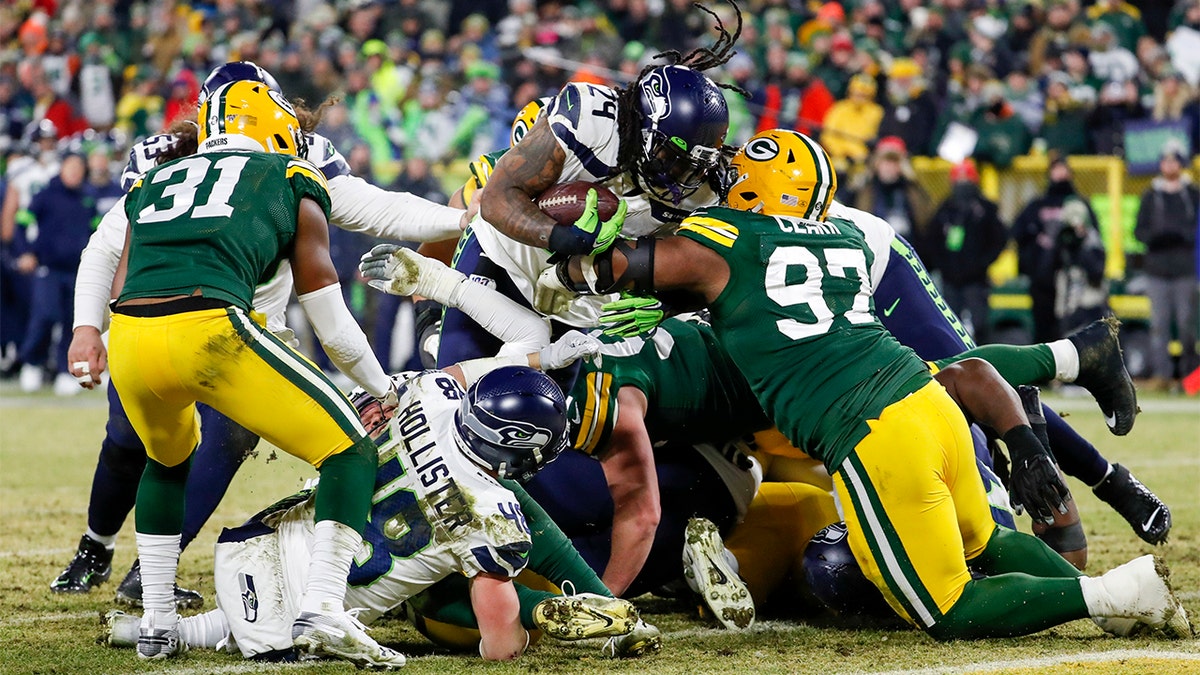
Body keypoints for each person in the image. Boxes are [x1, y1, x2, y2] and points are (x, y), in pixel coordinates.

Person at [537, 129, 1191, 641]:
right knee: (984, 537)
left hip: (875, 433)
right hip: (925, 402)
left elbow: (618, 265)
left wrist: (567, 245)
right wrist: (1029, 444)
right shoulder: (839, 233)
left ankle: (1110, 592)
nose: (727, 181)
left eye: (740, 177)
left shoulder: (725, 238)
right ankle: (1113, 581)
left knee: (947, 607)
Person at [50, 61, 466, 607]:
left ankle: (152, 579)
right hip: (198, 322)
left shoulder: (291, 157)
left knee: (219, 437)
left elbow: (373, 207)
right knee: (132, 444)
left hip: (211, 329)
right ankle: (98, 544)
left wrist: (462, 219)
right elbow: (108, 248)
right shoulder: (186, 160)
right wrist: (86, 326)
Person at [106, 80, 410, 666]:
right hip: (210, 329)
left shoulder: (152, 182)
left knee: (167, 461)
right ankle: (323, 607)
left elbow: (124, 285)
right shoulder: (293, 176)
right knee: (349, 448)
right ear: (275, 127)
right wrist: (379, 386)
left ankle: (156, 623)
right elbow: (330, 318)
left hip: (131, 342)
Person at [103, 365, 655, 662]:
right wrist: (527, 624)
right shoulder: (496, 516)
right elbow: (501, 648)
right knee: (463, 575)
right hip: (305, 622)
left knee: (432, 549)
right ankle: (580, 607)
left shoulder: (432, 393)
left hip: (251, 544)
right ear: (516, 443)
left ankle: (152, 631)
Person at [446, 4, 742, 367]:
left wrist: (669, 304)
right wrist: (560, 237)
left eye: (693, 166)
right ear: (644, 128)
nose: (683, 177)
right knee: (452, 393)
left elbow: (715, 272)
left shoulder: (709, 185)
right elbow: (495, 200)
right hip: (506, 262)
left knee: (547, 418)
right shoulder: (587, 119)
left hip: (583, 305)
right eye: (672, 158)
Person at [12, 153, 97, 395]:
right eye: (70, 166)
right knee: (45, 316)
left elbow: (97, 230)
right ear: (61, 169)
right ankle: (32, 362)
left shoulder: (88, 198)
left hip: (79, 272)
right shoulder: (45, 195)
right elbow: (21, 224)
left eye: (79, 167)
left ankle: (65, 371)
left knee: (74, 323)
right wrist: (26, 252)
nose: (74, 172)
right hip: (48, 269)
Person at [912, 159, 1008, 344]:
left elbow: (999, 239)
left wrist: (981, 264)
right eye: (959, 177)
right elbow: (932, 241)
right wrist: (942, 266)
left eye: (966, 177)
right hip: (950, 279)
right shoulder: (945, 209)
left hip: (976, 280)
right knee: (950, 326)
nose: (962, 182)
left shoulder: (985, 209)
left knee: (979, 326)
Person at [1013, 155, 1100, 344]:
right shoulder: (1037, 205)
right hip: (1043, 277)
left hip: (1073, 275)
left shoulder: (1079, 203)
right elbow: (1018, 234)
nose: (1060, 173)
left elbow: (1093, 238)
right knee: (1043, 329)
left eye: (1064, 169)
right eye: (1056, 169)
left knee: (1072, 327)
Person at [1134, 143, 1199, 391]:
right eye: (1165, 161)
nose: (1169, 166)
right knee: (1159, 326)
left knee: (1186, 325)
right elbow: (1139, 231)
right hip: (1157, 269)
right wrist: (1158, 237)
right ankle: (1161, 376)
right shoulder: (1151, 195)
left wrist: (1181, 235)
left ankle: (1188, 379)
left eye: (1174, 161)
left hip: (1184, 269)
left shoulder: (1192, 193)